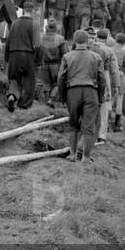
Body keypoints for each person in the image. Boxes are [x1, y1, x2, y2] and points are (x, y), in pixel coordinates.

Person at [57, 30, 106, 162]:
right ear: (87, 41)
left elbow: (61, 78)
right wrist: (100, 97)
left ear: (74, 41)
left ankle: (72, 154)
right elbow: (102, 79)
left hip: (72, 91)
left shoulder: (67, 57)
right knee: (89, 126)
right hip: (91, 91)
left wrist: (63, 97)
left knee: (73, 125)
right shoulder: (96, 57)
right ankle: (86, 157)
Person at [4, 1, 39, 111]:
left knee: (14, 79)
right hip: (27, 55)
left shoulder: (15, 23)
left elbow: (8, 42)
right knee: (29, 80)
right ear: (32, 11)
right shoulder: (34, 24)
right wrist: (37, 60)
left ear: (23, 10)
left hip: (14, 54)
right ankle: (24, 105)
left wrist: (6, 57)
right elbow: (38, 45)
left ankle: (12, 96)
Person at [39, 19, 67, 107]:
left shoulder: (41, 38)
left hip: (45, 64)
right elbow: (65, 54)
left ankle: (46, 102)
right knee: (57, 83)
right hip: (57, 65)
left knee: (46, 84)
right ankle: (51, 99)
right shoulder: (60, 39)